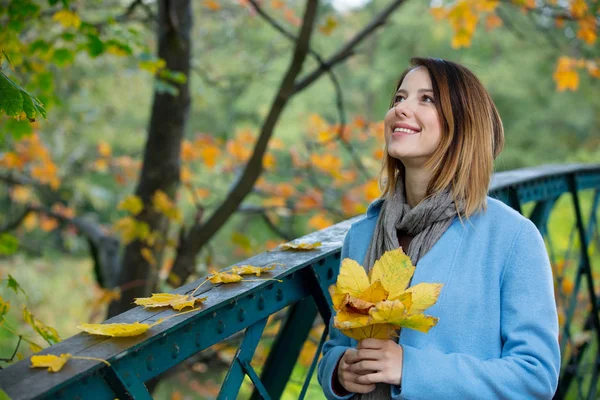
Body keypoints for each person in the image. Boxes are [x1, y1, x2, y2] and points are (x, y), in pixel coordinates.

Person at [317, 57, 560, 400]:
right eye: (399, 98)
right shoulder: (361, 236)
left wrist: (410, 369)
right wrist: (339, 371)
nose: (401, 108)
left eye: (426, 99)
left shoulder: (512, 238)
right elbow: (336, 346)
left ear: (463, 124)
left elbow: (535, 377)